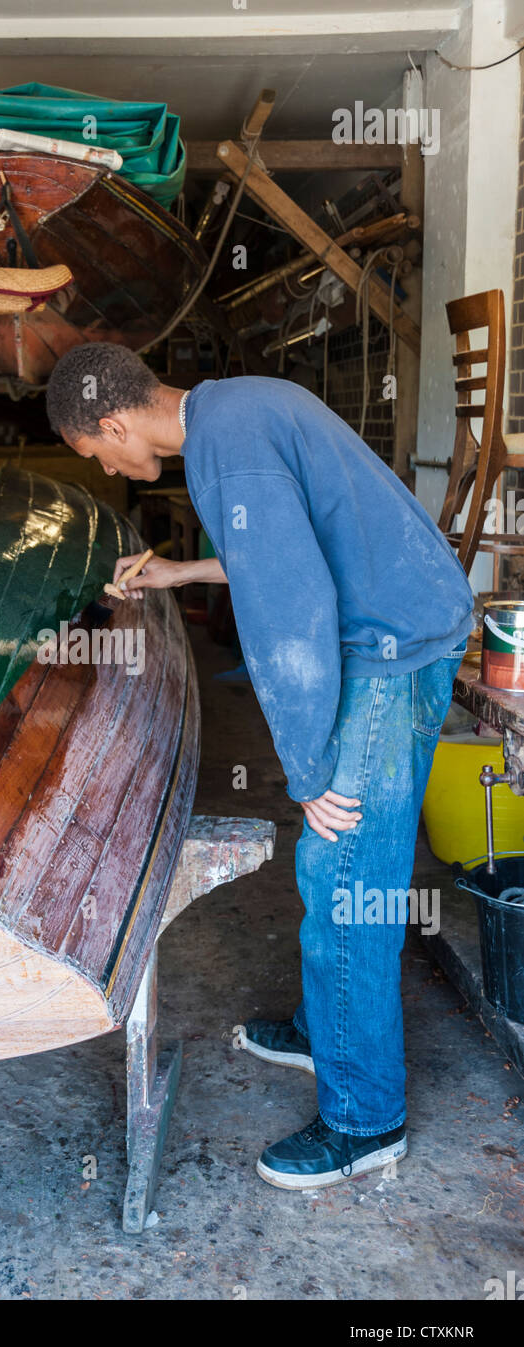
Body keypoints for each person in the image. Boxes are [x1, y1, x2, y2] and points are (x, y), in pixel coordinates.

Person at [45, 342, 473, 1191]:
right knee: (340, 877)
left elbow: (292, 610)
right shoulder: (230, 408)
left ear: (113, 420)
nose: (113, 469)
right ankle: (329, 1029)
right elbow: (290, 549)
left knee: (348, 878)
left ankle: (363, 1120)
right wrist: (181, 570)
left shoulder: (224, 449)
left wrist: (307, 771)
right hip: (408, 622)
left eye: (99, 454)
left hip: (385, 651)